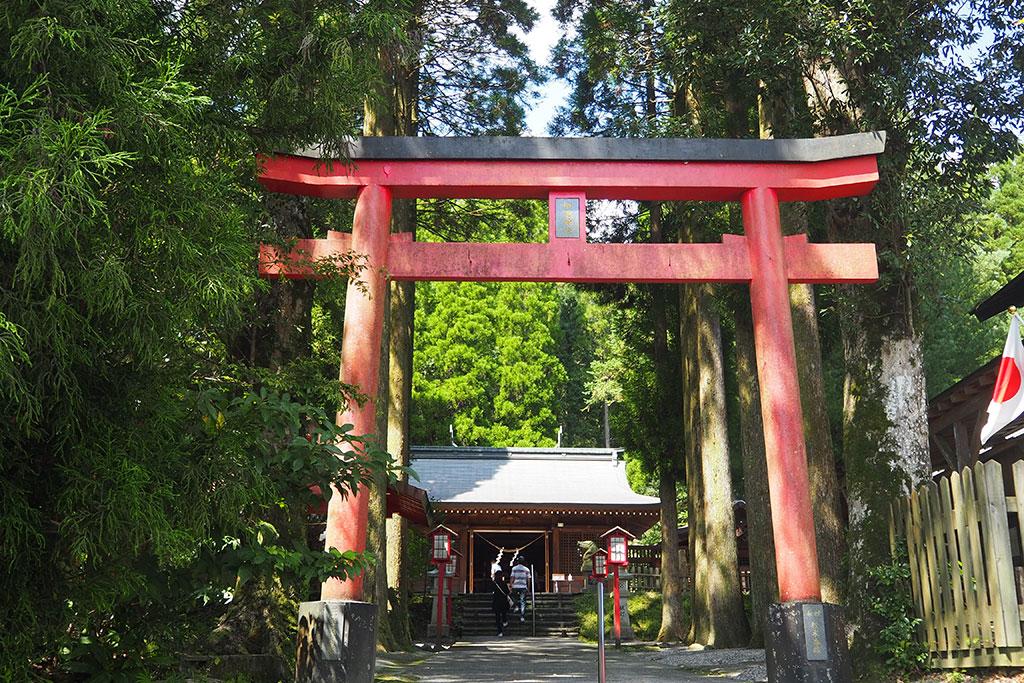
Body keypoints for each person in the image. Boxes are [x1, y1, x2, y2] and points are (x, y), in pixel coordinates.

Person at [491, 570, 512, 636]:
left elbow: (492, 591)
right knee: (503, 613)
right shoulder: (504, 583)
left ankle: (500, 631)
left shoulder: (494, 584)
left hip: (496, 601)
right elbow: (507, 592)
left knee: (497, 617)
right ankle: (504, 621)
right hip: (503, 601)